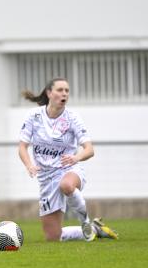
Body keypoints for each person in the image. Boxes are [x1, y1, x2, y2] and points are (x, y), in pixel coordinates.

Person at [18, 77, 118, 242]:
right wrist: (29, 165)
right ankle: (95, 229)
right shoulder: (34, 116)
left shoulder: (72, 118)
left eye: (67, 90)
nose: (64, 93)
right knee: (53, 237)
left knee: (66, 185)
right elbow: (22, 147)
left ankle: (84, 221)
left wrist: (75, 157)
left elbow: (89, 150)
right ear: (49, 93)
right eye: (60, 90)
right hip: (45, 178)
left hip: (69, 170)